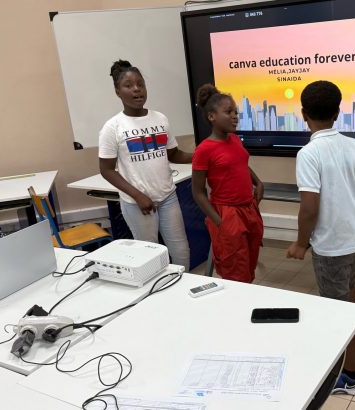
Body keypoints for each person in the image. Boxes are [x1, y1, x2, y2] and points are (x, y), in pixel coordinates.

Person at [286, 80, 355, 396]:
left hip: (333, 247)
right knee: (347, 293)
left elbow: (309, 208)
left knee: (334, 311)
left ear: (303, 114)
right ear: (338, 112)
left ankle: (351, 376)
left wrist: (301, 243)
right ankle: (349, 369)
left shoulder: (308, 153)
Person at [99, 59, 192, 270]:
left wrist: (201, 156)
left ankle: (178, 288)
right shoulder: (113, 127)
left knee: (181, 252)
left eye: (140, 84)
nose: (136, 89)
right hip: (137, 203)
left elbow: (173, 154)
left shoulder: (160, 119)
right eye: (129, 85)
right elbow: (106, 170)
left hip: (168, 197)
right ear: (117, 92)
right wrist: (138, 196)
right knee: (150, 257)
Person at [191, 84, 264, 283]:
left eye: (236, 112)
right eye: (228, 112)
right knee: (235, 274)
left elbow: (240, 164)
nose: (235, 116)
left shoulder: (234, 140)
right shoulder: (204, 150)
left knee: (248, 268)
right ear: (212, 116)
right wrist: (219, 222)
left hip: (249, 210)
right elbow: (198, 192)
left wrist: (258, 182)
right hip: (227, 213)